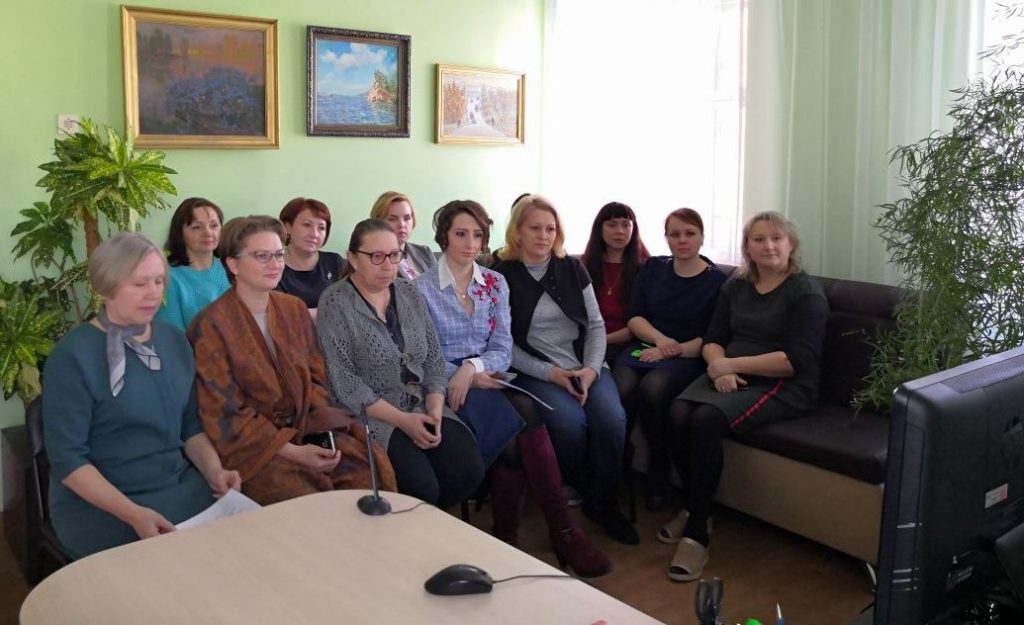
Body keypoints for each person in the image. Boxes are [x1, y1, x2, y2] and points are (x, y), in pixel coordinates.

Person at [416, 200, 610, 577]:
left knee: (528, 412)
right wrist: (462, 374)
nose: (470, 243)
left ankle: (530, 535)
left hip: (488, 375)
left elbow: (503, 348)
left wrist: (474, 368)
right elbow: (422, 355)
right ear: (443, 237)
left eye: (477, 235)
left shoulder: (494, 283)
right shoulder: (418, 289)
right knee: (515, 437)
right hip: (444, 382)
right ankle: (552, 533)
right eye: (460, 234)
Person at [42, 233, 241, 559]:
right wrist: (133, 514)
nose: (153, 293)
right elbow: (69, 461)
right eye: (139, 284)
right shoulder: (72, 357)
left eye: (159, 281)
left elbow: (190, 427)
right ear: (106, 285)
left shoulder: (174, 340)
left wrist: (214, 472)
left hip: (178, 487)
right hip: (103, 506)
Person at [664, 211, 828, 581]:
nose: (768, 246)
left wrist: (731, 365)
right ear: (747, 247)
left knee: (705, 420)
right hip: (731, 370)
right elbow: (713, 338)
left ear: (791, 244)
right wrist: (720, 366)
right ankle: (695, 506)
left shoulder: (806, 292)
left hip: (784, 382)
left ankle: (697, 531)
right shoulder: (735, 285)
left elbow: (797, 360)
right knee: (676, 411)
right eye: (759, 239)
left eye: (776, 238)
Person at [189, 216, 394, 505]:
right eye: (262, 256)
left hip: (308, 427)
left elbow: (317, 377)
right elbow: (224, 412)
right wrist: (291, 450)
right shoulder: (211, 326)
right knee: (306, 500)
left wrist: (321, 433)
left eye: (278, 254)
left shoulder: (293, 309)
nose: (275, 264)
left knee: (364, 472)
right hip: (255, 447)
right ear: (233, 265)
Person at [492, 194, 637, 545]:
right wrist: (552, 374)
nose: (544, 236)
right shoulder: (501, 276)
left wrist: (590, 370)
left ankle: (602, 503)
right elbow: (504, 344)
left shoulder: (572, 267)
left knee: (612, 420)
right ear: (518, 232)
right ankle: (583, 486)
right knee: (570, 424)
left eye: (550, 229)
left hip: (584, 363)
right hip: (537, 369)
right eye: (535, 228)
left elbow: (596, 326)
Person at [317, 219, 484, 509]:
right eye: (376, 256)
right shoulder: (336, 302)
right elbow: (343, 382)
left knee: (469, 470)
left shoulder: (409, 292)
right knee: (421, 486)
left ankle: (428, 525)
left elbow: (433, 357)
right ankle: (416, 527)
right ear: (353, 258)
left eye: (394, 255)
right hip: (370, 413)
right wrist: (403, 421)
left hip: (421, 403)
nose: (387, 265)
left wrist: (434, 406)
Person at [611, 208, 726, 512]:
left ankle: (658, 469)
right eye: (675, 234)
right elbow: (634, 316)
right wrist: (659, 341)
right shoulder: (654, 268)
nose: (682, 240)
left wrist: (669, 351)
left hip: (688, 354)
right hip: (646, 345)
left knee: (654, 388)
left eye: (690, 233)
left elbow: (713, 336)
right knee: (621, 387)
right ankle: (616, 464)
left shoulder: (716, 281)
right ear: (666, 238)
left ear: (702, 237)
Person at [581, 202, 650, 365]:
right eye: (612, 225)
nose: (619, 231)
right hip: (588, 341)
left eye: (626, 225)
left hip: (629, 344)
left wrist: (603, 340)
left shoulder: (646, 268)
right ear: (599, 228)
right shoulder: (583, 266)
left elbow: (643, 320)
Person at [156, 197, 231, 330]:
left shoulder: (232, 267)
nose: (208, 233)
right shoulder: (168, 277)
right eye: (197, 227)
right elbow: (172, 335)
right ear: (180, 233)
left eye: (214, 225)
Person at [276, 197, 344, 320]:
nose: (314, 234)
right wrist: (329, 312)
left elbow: (351, 305)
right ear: (287, 227)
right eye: (307, 225)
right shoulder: (273, 266)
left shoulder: (335, 262)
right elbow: (278, 315)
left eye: (321, 228)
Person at [370, 191, 437, 280]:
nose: (402, 224)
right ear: (377, 223)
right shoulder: (373, 259)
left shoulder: (424, 251)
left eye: (407, 218)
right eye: (392, 219)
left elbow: (441, 286)